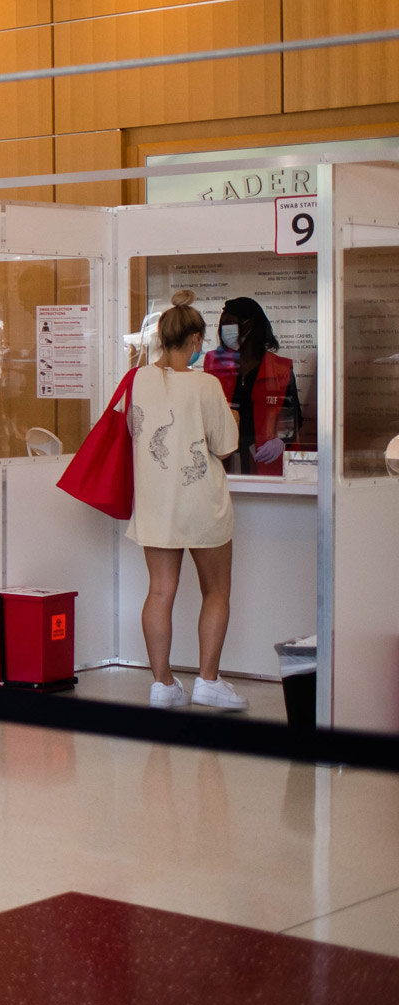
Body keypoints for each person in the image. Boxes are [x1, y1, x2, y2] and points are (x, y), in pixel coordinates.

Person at [128, 291, 246, 711]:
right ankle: (208, 682)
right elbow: (226, 446)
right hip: (202, 504)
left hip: (156, 503)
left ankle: (162, 685)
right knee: (216, 591)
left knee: (160, 591)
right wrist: (231, 416)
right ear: (195, 339)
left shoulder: (139, 380)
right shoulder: (206, 384)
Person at [203, 296, 301, 477]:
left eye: (231, 323)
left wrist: (281, 441)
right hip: (223, 455)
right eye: (223, 324)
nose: (225, 329)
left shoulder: (280, 368)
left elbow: (293, 416)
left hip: (263, 456)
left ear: (250, 324)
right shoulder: (214, 363)